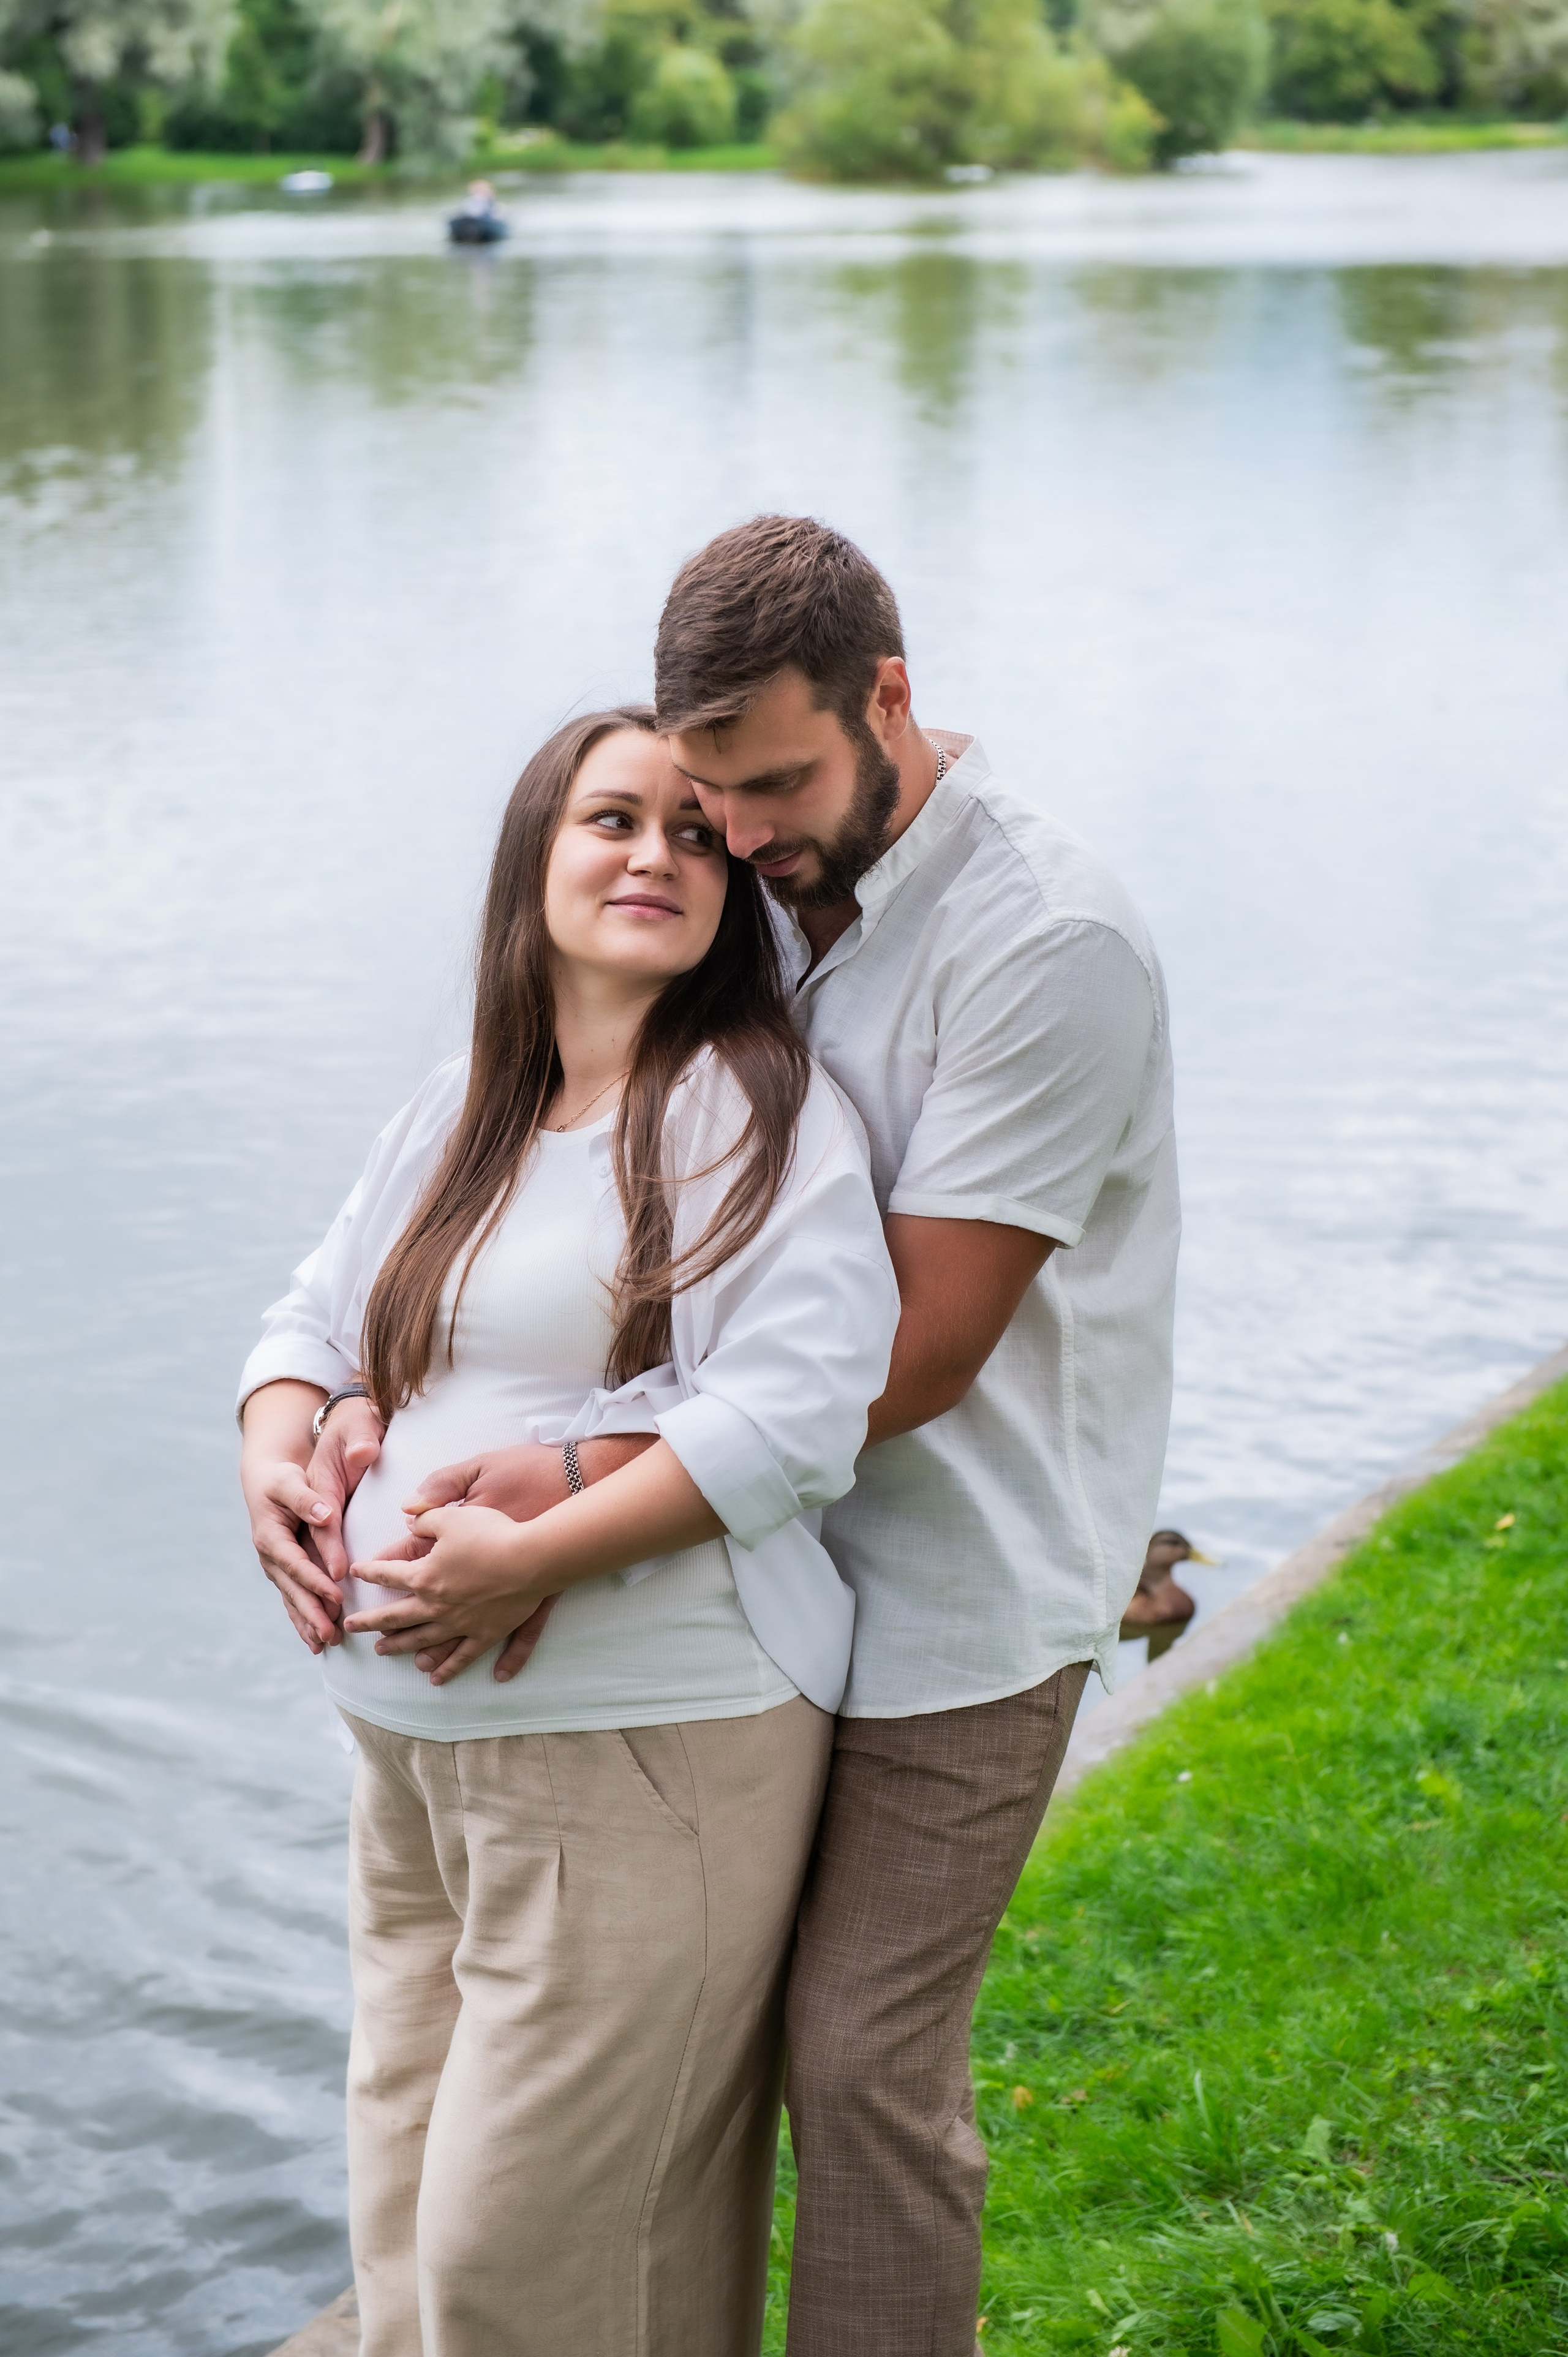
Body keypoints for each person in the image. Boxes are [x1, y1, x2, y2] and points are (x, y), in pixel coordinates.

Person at [307, 516, 1179, 2357]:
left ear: (892, 697)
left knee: (857, 2064)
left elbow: (915, 1356)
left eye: (769, 787)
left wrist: (560, 1491)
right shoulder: (760, 888)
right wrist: (367, 1398)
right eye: (704, 800)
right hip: (757, 1579)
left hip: (954, 1581)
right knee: (659, 2085)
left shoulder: (1047, 942)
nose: (740, 840)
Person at [238, 706, 898, 2357]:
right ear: (536, 853)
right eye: (614, 821)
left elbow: (802, 1404)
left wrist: (538, 1553)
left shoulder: (749, 1107)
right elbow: (316, 1319)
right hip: (413, 1778)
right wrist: (277, 1436)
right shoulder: (471, 1101)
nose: (658, 857)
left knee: (524, 2287)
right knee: (404, 2266)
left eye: (695, 833)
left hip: (640, 1759)